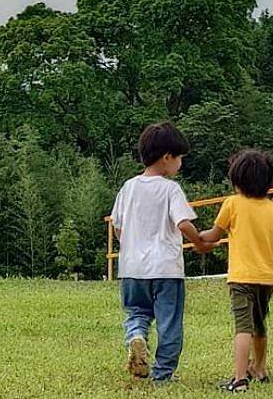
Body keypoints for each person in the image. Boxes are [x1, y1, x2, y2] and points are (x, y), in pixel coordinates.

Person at [110, 122, 212, 383]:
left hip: (132, 268)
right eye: (179, 158)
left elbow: (117, 226)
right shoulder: (170, 189)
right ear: (167, 157)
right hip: (166, 269)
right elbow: (183, 223)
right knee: (169, 323)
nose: (180, 164)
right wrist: (199, 242)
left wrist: (131, 245)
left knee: (137, 313)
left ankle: (137, 336)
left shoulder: (128, 187)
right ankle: (163, 374)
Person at [199, 149, 273, 393]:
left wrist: (196, 236)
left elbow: (214, 235)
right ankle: (260, 368)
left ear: (237, 180)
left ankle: (239, 378)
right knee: (259, 325)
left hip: (241, 278)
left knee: (243, 327)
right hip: (266, 279)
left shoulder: (232, 204)